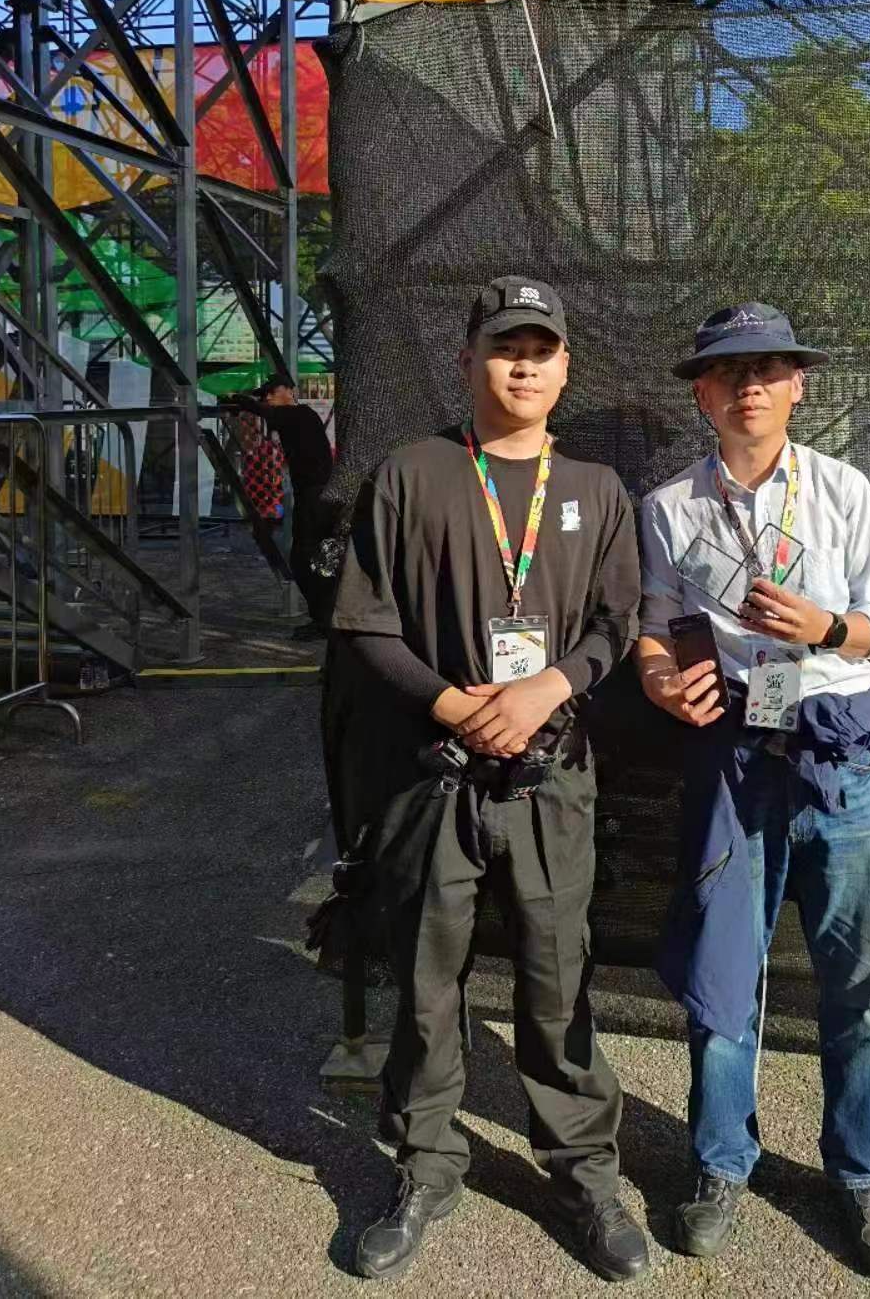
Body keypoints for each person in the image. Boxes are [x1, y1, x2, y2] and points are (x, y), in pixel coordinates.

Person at [329, 276, 649, 1285]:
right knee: (428, 984)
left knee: (558, 982)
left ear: (565, 368)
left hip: (550, 782)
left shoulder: (594, 489)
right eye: (505, 347)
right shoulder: (411, 473)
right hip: (434, 780)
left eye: (541, 350)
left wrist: (550, 684)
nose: (523, 365)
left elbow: (617, 625)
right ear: (467, 358)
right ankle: (425, 1163)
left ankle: (583, 1173)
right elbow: (365, 622)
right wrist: (450, 704)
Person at [635, 302, 870, 1278]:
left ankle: (861, 1172)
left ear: (797, 385)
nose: (748, 384)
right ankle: (719, 1163)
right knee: (723, 979)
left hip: (838, 766)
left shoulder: (842, 489)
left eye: (768, 368)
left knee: (859, 989)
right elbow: (655, 626)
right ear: (702, 395)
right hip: (735, 764)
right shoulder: (669, 507)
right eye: (728, 371)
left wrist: (826, 628)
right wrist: (659, 681)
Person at [221, 376, 335, 634]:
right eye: (266, 393)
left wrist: (236, 398)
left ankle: (324, 619)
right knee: (311, 558)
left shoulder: (299, 414)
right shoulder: (295, 417)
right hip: (315, 495)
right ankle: (325, 617)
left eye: (272, 391)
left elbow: (263, 410)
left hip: (315, 496)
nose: (268, 397)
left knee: (305, 559)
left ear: (290, 391)